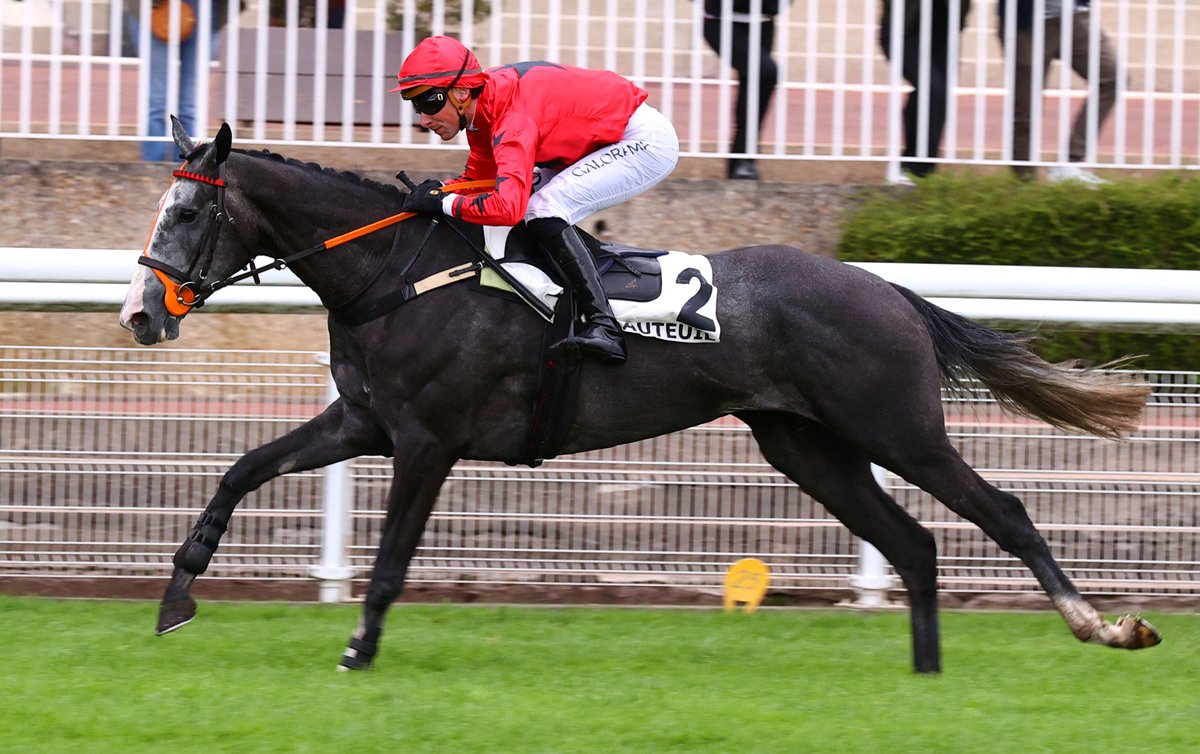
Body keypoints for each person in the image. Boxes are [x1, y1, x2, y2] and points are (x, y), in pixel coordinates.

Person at [393, 36, 680, 364]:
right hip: (594, 142)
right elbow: (478, 180)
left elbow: (507, 208)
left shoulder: (511, 121)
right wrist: (441, 190)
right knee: (533, 204)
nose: (424, 119)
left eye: (429, 102)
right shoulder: (482, 110)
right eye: (416, 105)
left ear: (461, 93)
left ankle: (605, 327)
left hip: (642, 141)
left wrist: (444, 203)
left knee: (543, 209)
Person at [998, 0, 1118, 183]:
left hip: (1074, 15)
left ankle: (1071, 162)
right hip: (1026, 23)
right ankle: (1024, 183)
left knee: (1112, 76)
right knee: (1025, 107)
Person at [124, 1, 232, 162]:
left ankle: (185, 167)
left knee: (189, 106)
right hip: (156, 7)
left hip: (203, 8)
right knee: (157, 102)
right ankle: (153, 166)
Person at [880, 0, 971, 185]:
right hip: (904, 31)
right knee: (932, 88)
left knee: (936, 95)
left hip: (943, 31)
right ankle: (915, 169)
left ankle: (920, 168)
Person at [701, 0, 782, 180]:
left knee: (754, 86)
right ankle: (743, 160)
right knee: (767, 73)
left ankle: (742, 162)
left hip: (763, 21)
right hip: (720, 21)